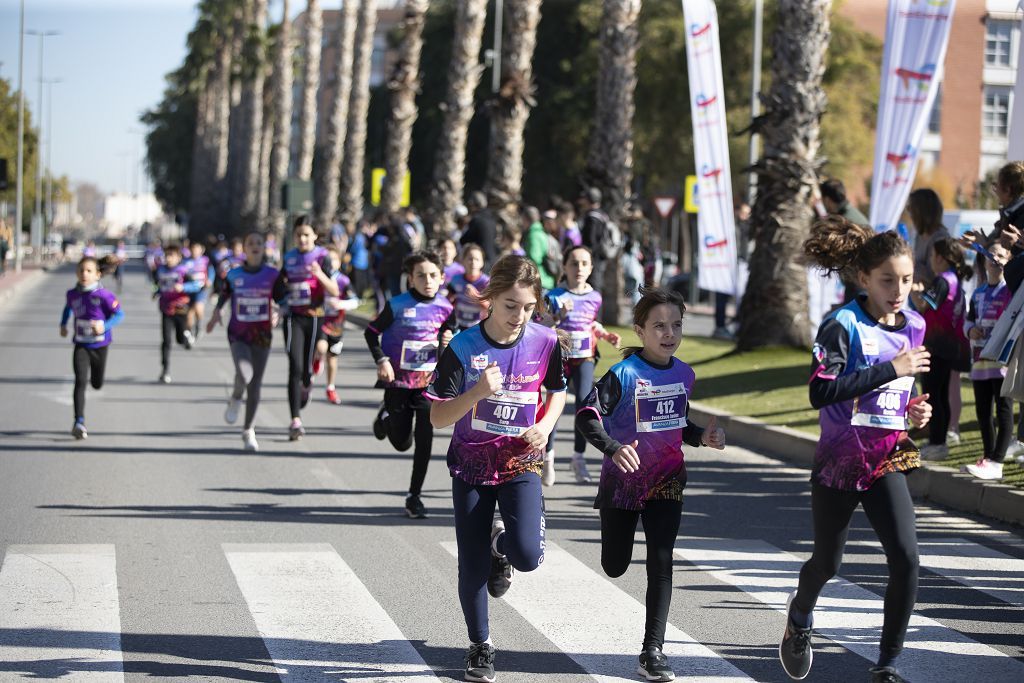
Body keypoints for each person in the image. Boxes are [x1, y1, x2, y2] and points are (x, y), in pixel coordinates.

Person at [780, 217, 932, 683]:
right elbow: (821, 393)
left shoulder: (916, 325)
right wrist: (891, 368)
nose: (899, 289)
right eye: (888, 280)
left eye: (906, 279)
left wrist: (914, 413)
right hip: (840, 462)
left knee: (906, 557)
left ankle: (887, 662)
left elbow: (904, 391)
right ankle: (800, 617)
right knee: (828, 563)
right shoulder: (840, 325)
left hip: (888, 457)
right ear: (864, 279)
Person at [426, 255, 566, 683]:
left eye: (527, 307)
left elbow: (557, 391)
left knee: (527, 556)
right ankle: (480, 646)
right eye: (510, 306)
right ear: (489, 299)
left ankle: (500, 547)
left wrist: (544, 424)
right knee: (471, 567)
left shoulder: (544, 341)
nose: (519, 316)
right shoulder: (464, 347)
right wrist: (477, 392)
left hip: (520, 459)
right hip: (471, 464)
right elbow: (437, 418)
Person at [575, 286, 724, 682]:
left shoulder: (684, 374)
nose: (669, 333)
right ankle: (649, 643)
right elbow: (587, 416)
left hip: (668, 481)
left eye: (676, 325)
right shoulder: (622, 375)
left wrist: (701, 437)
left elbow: (678, 423)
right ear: (640, 331)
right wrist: (612, 447)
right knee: (615, 565)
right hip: (622, 483)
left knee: (661, 563)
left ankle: (652, 651)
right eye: (659, 326)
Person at [366, 251, 455, 518]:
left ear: (441, 278)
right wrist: (382, 360)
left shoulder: (446, 309)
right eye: (421, 276)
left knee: (424, 442)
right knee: (401, 442)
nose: (427, 280)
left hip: (428, 387)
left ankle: (414, 496)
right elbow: (371, 333)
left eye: (432, 275)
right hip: (398, 383)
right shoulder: (397, 305)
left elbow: (453, 339)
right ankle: (384, 416)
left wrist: (449, 342)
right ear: (410, 279)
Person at [544, 245, 621, 485]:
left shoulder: (595, 296)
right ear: (564, 266)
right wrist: (559, 317)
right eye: (574, 263)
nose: (579, 268)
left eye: (584, 263)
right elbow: (544, 325)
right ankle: (548, 458)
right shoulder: (554, 295)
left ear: (591, 268)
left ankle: (578, 458)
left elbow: (591, 323)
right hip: (560, 358)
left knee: (584, 408)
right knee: (553, 407)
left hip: (585, 357)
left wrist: (606, 335)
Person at [206, 232, 279, 451]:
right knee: (245, 374)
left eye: (259, 243)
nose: (255, 246)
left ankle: (248, 430)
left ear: (264, 248)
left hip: (262, 334)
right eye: (250, 243)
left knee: (255, 384)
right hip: (238, 333)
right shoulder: (233, 274)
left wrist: (278, 310)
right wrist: (216, 313)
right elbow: (224, 296)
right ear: (244, 249)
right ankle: (236, 397)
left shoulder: (273, 274)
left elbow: (283, 299)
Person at [272, 216, 340, 440]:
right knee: (294, 365)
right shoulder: (289, 257)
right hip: (293, 317)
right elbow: (279, 288)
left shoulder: (321, 256)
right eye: (298, 235)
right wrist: (279, 305)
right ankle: (295, 420)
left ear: (314, 236)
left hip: (315, 317)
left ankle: (308, 381)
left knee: (305, 370)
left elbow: (334, 290)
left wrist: (318, 274)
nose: (302, 239)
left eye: (306, 235)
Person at [910, 237, 971, 461]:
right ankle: (939, 441)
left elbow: (923, 305)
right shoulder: (955, 280)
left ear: (940, 258)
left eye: (931, 255)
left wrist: (913, 290)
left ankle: (937, 443)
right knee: (940, 395)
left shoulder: (943, 280)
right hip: (949, 346)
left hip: (937, 346)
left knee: (932, 395)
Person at [961, 243, 1018, 479]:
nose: (995, 259)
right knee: (983, 412)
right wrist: (970, 330)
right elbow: (967, 321)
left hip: (1001, 361)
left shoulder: (1012, 291)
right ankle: (987, 458)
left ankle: (998, 460)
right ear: (983, 261)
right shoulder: (978, 293)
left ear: (1008, 261)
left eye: (1001, 255)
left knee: (1003, 410)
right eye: (991, 255)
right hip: (980, 361)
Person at [60, 256, 124, 439]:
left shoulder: (104, 295)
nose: (84, 274)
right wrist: (63, 324)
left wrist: (104, 325)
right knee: (80, 381)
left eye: (89, 271)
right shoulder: (72, 294)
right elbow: (68, 308)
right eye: (81, 270)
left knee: (96, 383)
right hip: (80, 343)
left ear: (98, 274)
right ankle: (78, 421)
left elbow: (119, 314)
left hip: (100, 345)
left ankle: (96, 383)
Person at [315, 245, 359, 405]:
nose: (330, 263)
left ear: (339, 262)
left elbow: (355, 301)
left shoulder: (343, 280)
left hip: (336, 325)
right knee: (321, 348)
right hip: (320, 320)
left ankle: (330, 387)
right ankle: (317, 358)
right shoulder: (317, 279)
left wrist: (340, 304)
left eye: (333, 259)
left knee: (332, 358)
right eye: (327, 260)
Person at [154, 244, 202, 384]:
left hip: (181, 309)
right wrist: (156, 292)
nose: (168, 259)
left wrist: (183, 287)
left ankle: (187, 335)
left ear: (178, 257)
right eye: (166, 256)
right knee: (166, 341)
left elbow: (197, 285)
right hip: (166, 309)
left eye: (171, 256)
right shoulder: (161, 270)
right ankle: (165, 370)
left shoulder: (183, 271)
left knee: (180, 340)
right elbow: (158, 285)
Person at [447, 244, 490, 331]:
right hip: (458, 324)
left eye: (477, 259)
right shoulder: (456, 279)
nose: (473, 262)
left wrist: (476, 296)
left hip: (478, 326)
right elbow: (449, 300)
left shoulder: (486, 282)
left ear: (482, 263)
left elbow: (491, 308)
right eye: (470, 259)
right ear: (463, 261)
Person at [578, 187, 610, 292]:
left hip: (593, 259)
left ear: (588, 200)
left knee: (593, 288)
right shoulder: (602, 215)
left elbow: (590, 241)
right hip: (600, 257)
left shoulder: (592, 218)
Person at [185, 241, 214, 341]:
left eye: (197, 249)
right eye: (193, 249)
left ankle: (199, 325)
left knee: (198, 307)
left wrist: (210, 280)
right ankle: (189, 332)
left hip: (201, 288)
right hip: (188, 289)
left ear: (202, 250)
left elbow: (211, 271)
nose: (195, 251)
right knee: (189, 313)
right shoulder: (186, 261)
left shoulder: (205, 260)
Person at [460, 191, 498, 268]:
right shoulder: (492, 219)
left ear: (474, 205)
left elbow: (464, 240)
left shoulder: (476, 220)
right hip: (493, 259)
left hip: (481, 261)